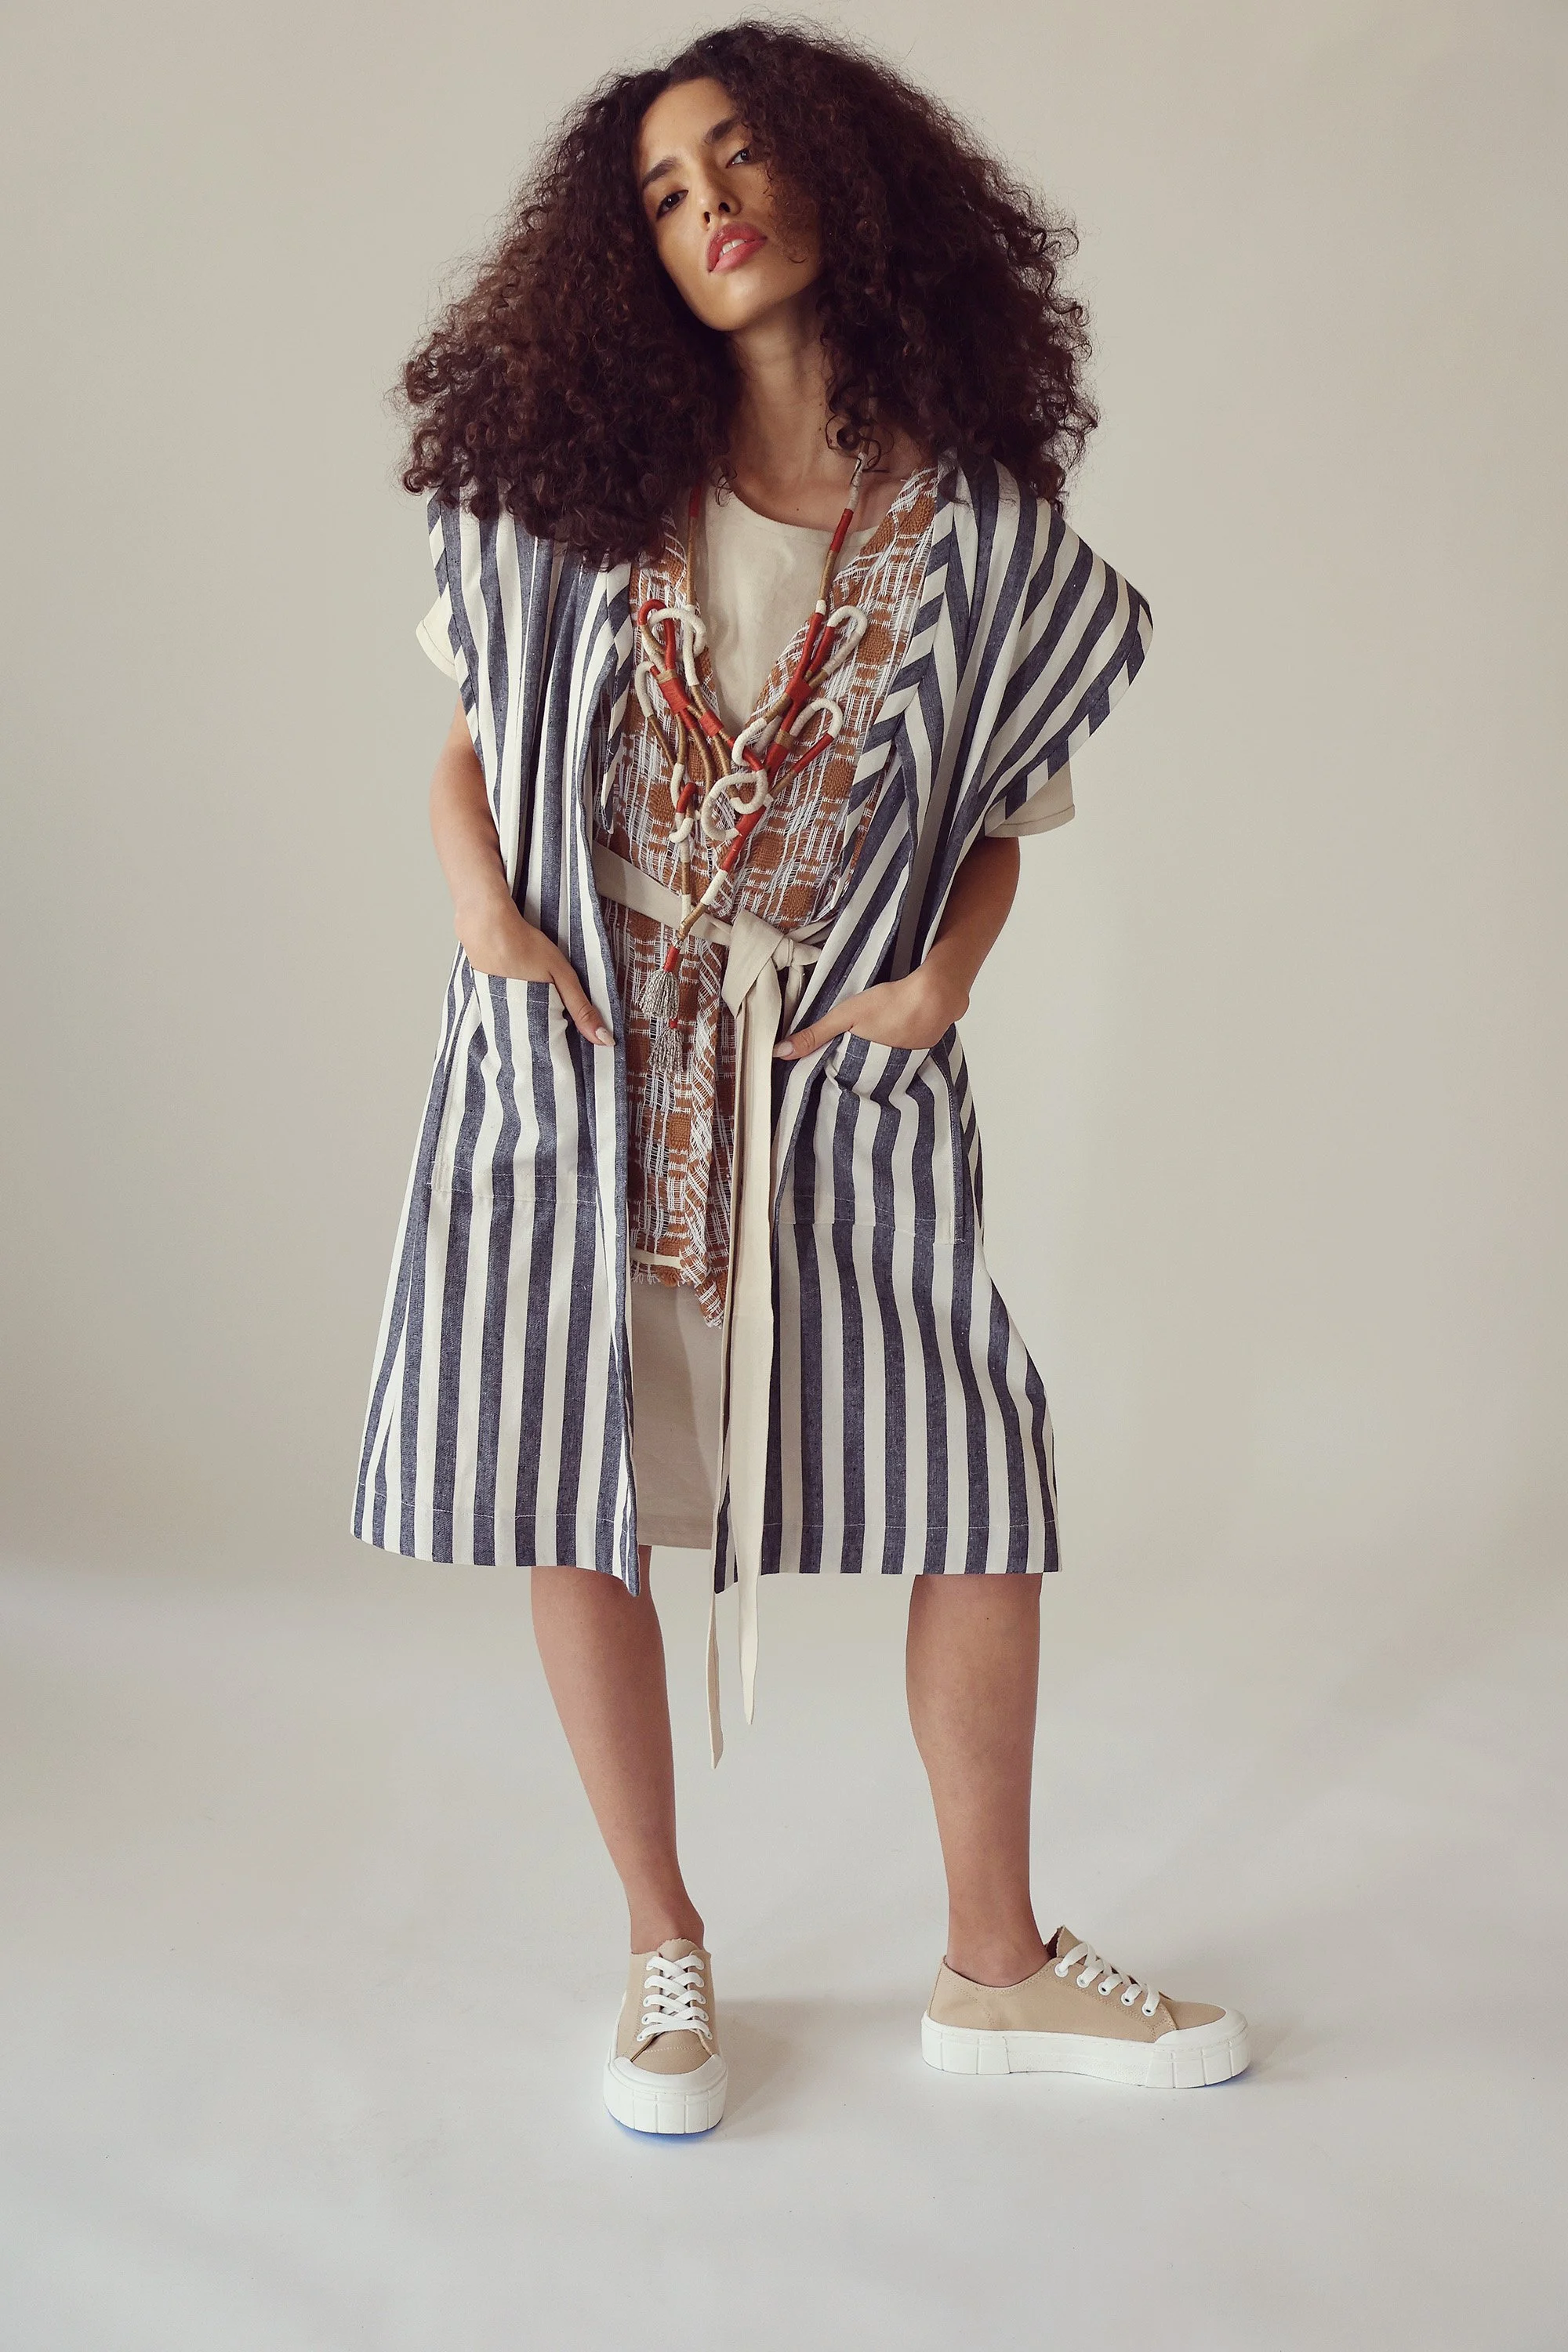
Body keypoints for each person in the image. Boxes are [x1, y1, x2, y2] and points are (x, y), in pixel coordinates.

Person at [354, 20, 1248, 2136]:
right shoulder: (580, 495)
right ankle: (663, 1949)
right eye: (666, 194)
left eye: (741, 158)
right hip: (587, 1045)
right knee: (570, 1461)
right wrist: (491, 926)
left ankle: (994, 1962)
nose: (712, 208)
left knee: (974, 1468)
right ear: (633, 257)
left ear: (843, 177)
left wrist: (940, 982)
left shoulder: (985, 534)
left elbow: (999, 816)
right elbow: (471, 756)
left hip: (834, 1066)